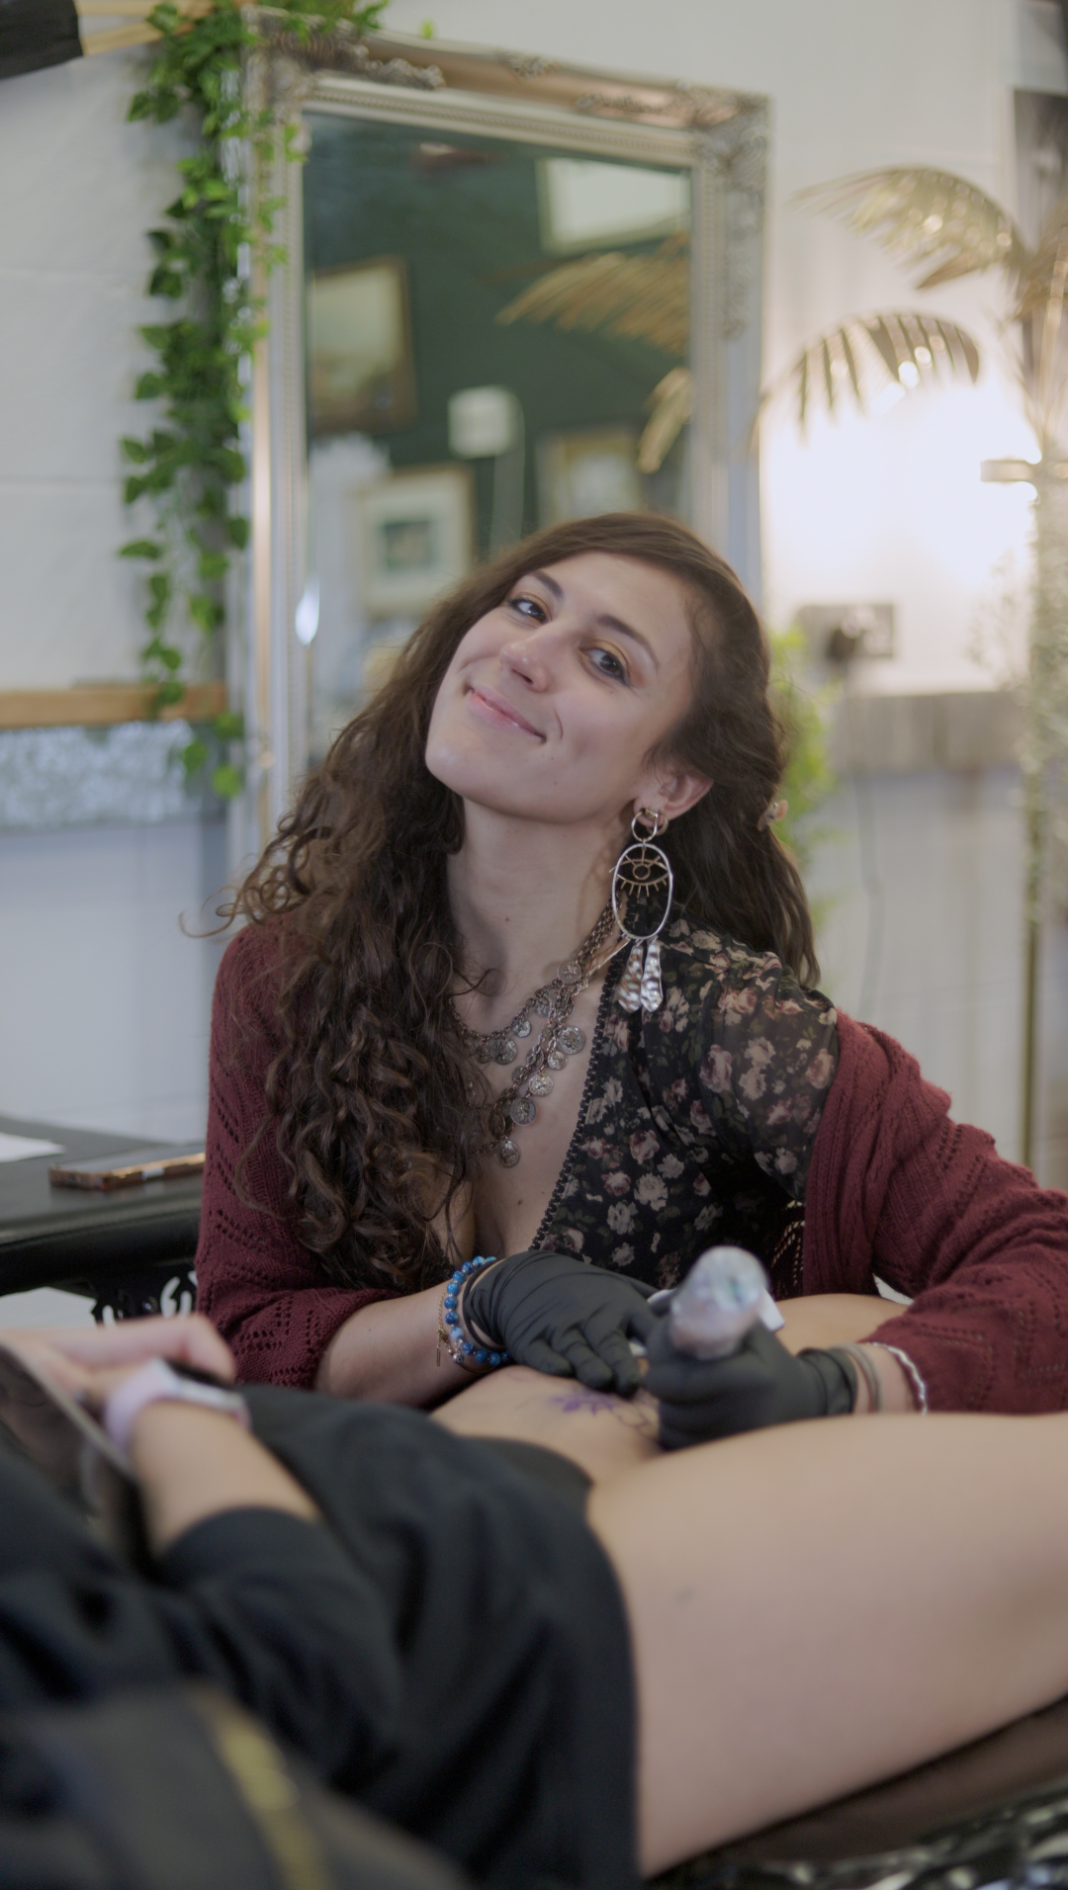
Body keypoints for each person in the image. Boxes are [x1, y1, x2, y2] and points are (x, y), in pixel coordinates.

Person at [195, 512, 1068, 1426]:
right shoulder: (291, 977)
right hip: (366, 1509)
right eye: (529, 607)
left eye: (607, 661)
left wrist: (840, 1384)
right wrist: (477, 1306)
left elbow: (1045, 1264)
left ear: (669, 784)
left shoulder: (730, 1028)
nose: (527, 654)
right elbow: (241, 1341)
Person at [12, 1311, 1068, 1888]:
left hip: (444, 1514)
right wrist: (168, 1406)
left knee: (850, 1316)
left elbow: (1019, 1249)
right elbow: (297, 1667)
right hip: (513, 1646)